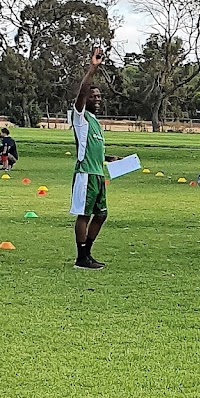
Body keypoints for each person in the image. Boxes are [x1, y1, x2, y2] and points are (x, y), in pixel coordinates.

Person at [70, 48, 115, 270]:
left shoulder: (96, 121)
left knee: (102, 214)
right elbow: (81, 92)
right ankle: (81, 257)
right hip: (85, 173)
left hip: (98, 174)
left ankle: (87, 253)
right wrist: (93, 68)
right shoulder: (80, 116)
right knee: (84, 214)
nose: (96, 99)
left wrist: (109, 158)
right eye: (93, 96)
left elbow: (92, 147)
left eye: (99, 96)